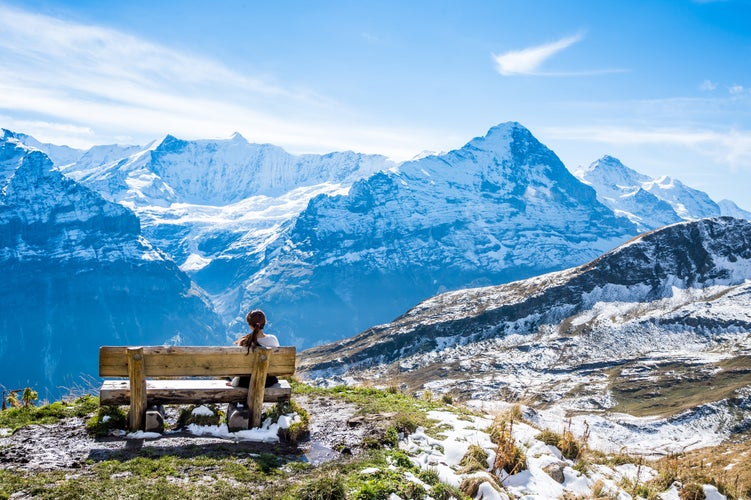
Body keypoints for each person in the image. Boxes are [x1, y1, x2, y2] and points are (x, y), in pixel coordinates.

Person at [227, 309, 280, 388]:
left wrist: (234, 383)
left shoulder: (244, 342)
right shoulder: (273, 339)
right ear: (264, 323)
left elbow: (241, 367)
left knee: (227, 377)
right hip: (268, 381)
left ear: (250, 325)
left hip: (247, 382)